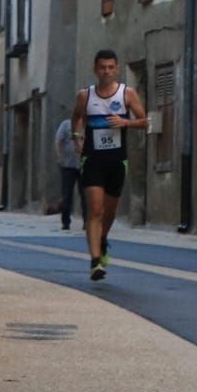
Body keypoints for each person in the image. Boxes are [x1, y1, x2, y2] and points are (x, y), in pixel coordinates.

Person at [74, 50, 146, 281]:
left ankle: (102, 239)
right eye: (102, 67)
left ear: (116, 69)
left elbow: (145, 121)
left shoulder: (127, 93)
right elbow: (76, 117)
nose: (106, 71)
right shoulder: (85, 95)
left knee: (109, 211)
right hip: (92, 159)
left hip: (116, 160)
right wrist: (76, 136)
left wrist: (125, 122)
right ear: (95, 69)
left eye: (110, 67)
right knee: (95, 210)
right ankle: (95, 261)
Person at [53, 111, 85, 230]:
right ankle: (65, 222)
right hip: (67, 165)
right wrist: (59, 156)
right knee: (67, 194)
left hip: (84, 166)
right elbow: (58, 140)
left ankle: (87, 221)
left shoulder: (88, 127)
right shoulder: (66, 125)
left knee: (85, 194)